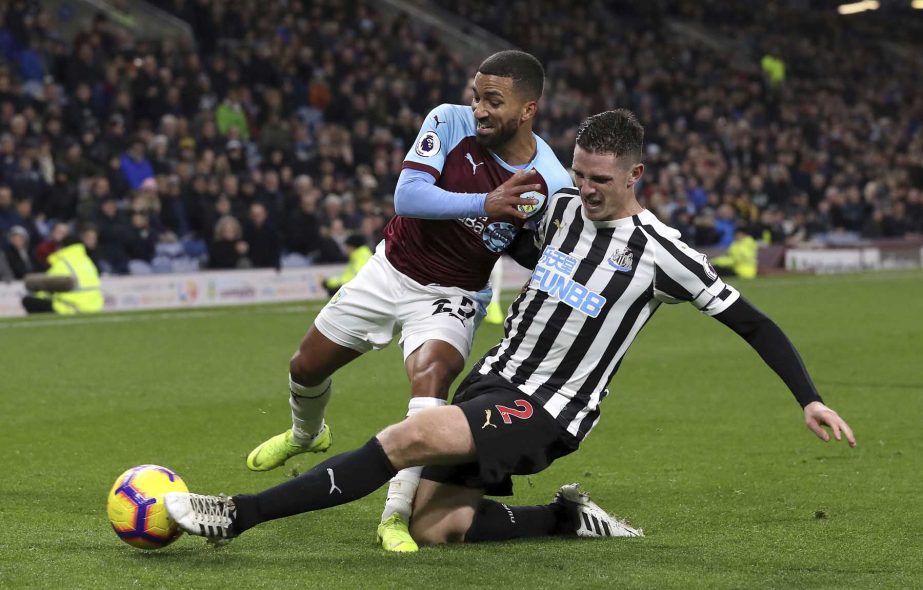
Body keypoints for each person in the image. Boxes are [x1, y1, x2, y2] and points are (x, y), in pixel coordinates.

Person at [165, 110, 856, 548]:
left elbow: (754, 324)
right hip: (494, 380)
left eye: (601, 180)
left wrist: (809, 397)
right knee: (441, 529)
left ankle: (236, 515)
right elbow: (493, 238)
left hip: (548, 408)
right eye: (579, 173)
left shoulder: (662, 253)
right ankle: (562, 518)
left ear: (635, 176)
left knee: (409, 435)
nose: (584, 189)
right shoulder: (556, 210)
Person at [243, 50, 573, 552]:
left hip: (453, 294)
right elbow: (409, 196)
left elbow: (546, 253)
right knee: (305, 368)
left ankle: (395, 515)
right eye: (476, 96)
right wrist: (484, 204)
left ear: (528, 109)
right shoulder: (448, 120)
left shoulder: (550, 181)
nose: (479, 109)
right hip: (390, 270)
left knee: (430, 378)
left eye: (493, 100)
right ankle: (307, 434)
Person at [21, 233, 103, 314]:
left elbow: (47, 287)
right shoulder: (87, 261)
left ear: (62, 247)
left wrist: (37, 295)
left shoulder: (63, 263)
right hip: (95, 307)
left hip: (72, 307)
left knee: (28, 301)